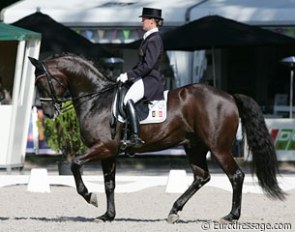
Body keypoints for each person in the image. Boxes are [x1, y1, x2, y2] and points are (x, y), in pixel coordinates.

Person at [117, 7, 165, 148]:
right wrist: (127, 75)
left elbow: (148, 65)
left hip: (150, 80)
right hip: (144, 78)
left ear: (152, 21)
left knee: (128, 100)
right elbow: (141, 64)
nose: (142, 21)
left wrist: (129, 75)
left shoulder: (154, 39)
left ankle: (135, 137)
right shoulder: (148, 38)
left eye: (144, 19)